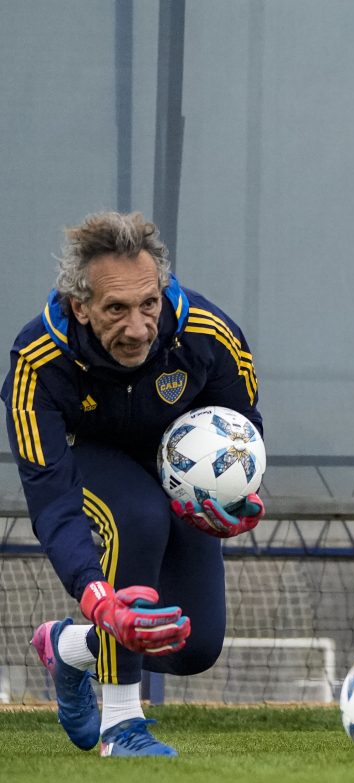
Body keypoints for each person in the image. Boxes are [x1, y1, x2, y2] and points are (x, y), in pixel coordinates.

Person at [1, 211, 266, 756]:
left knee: (195, 647)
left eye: (149, 304)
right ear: (80, 306)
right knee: (138, 518)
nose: (139, 327)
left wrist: (241, 498)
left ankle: (69, 647)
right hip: (90, 463)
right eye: (115, 309)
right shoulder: (36, 362)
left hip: (176, 471)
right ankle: (121, 725)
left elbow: (243, 427)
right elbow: (51, 498)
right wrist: (96, 597)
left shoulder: (206, 332)